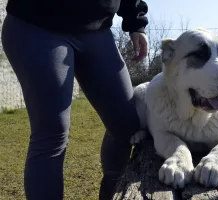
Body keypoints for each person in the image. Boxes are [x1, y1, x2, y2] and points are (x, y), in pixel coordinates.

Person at [1, 0, 148, 199]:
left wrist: (136, 22)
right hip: (36, 23)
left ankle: (111, 194)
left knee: (127, 125)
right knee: (52, 132)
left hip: (97, 30)